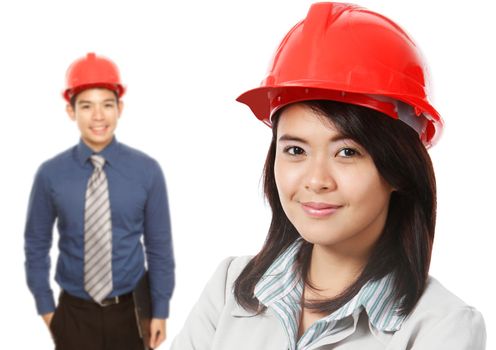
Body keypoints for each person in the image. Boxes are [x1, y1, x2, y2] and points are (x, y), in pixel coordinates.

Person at [171, 3, 486, 349]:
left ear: (399, 168)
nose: (316, 180)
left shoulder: (441, 327)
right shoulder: (230, 288)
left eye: (347, 152)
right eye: (295, 150)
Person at [24, 52, 175, 350]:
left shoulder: (147, 171)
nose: (98, 116)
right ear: (71, 110)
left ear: (120, 107)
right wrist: (47, 310)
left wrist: (160, 309)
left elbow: (159, 245)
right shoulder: (50, 174)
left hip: (132, 311)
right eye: (86, 106)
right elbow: (36, 243)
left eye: (107, 105)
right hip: (73, 314)